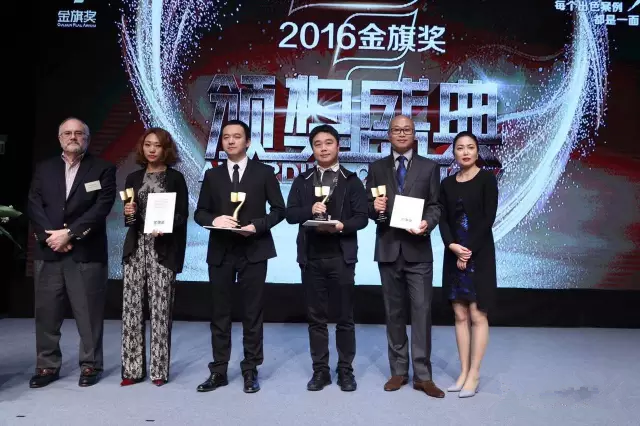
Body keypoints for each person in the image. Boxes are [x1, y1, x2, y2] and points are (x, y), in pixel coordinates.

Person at [194, 119, 285, 393]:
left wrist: (257, 226)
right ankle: (218, 370)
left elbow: (279, 210)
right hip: (221, 251)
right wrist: (215, 220)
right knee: (219, 312)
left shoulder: (264, 172)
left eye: (236, 136)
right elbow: (200, 212)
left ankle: (250, 369)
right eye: (226, 137)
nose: (231, 141)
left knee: (252, 312)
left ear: (248, 141)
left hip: (254, 249)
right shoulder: (213, 175)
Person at [27, 117, 116, 388]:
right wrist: (50, 237)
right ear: (59, 138)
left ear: (87, 138)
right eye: (67, 133)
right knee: (46, 313)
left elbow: (102, 207)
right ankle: (46, 365)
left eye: (79, 133)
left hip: (86, 252)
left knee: (89, 314)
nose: (73, 137)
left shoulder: (103, 168)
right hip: (49, 251)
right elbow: (34, 204)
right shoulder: (44, 168)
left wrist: (71, 234)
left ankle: (90, 365)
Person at [365, 114, 445, 398]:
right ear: (389, 135)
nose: (401, 134)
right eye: (396, 130)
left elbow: (435, 205)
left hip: (418, 249)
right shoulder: (376, 168)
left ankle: (423, 375)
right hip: (388, 248)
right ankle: (398, 371)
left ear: (414, 134)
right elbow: (369, 206)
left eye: (406, 130)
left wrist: (427, 223)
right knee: (394, 312)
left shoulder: (429, 167)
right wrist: (374, 207)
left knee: (422, 312)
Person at [285, 124, 368, 392]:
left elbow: (362, 218)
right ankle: (320, 371)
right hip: (311, 257)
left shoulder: (351, 180)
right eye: (318, 144)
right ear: (312, 148)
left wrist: (342, 225)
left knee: (345, 318)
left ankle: (345, 370)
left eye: (328, 143)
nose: (323, 148)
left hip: (342, 257)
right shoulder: (303, 180)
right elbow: (290, 214)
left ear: (338, 146)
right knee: (316, 319)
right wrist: (309, 209)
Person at [119, 127, 189, 387]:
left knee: (161, 311)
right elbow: (130, 220)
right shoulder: (133, 178)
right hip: (136, 248)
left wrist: (166, 225)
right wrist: (129, 213)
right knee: (132, 310)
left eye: (157, 145)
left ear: (165, 149)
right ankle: (132, 370)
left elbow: (183, 215)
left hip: (163, 249)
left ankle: (158, 371)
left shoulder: (176, 178)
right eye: (147, 144)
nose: (151, 149)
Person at [438, 131, 498, 398]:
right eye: (460, 148)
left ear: (477, 151)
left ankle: (474, 374)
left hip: (479, 254)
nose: (465, 152)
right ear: (454, 152)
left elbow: (488, 219)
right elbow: (442, 219)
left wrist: (468, 252)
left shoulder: (487, 179)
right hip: (453, 254)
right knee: (459, 315)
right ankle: (463, 372)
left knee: (477, 315)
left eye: (470, 147)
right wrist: (451, 245)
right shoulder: (447, 183)